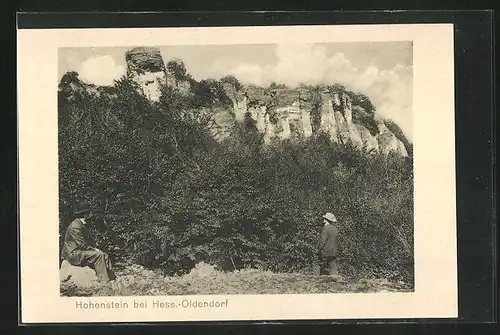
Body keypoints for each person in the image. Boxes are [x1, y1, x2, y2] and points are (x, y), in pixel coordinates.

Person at [61, 201, 115, 282]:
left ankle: (112, 278)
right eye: (89, 212)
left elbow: (86, 242)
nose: (91, 215)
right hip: (73, 254)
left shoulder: (82, 224)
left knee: (105, 255)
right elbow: (82, 244)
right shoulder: (76, 226)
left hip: (79, 252)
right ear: (85, 214)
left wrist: (94, 248)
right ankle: (104, 281)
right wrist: (94, 249)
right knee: (99, 255)